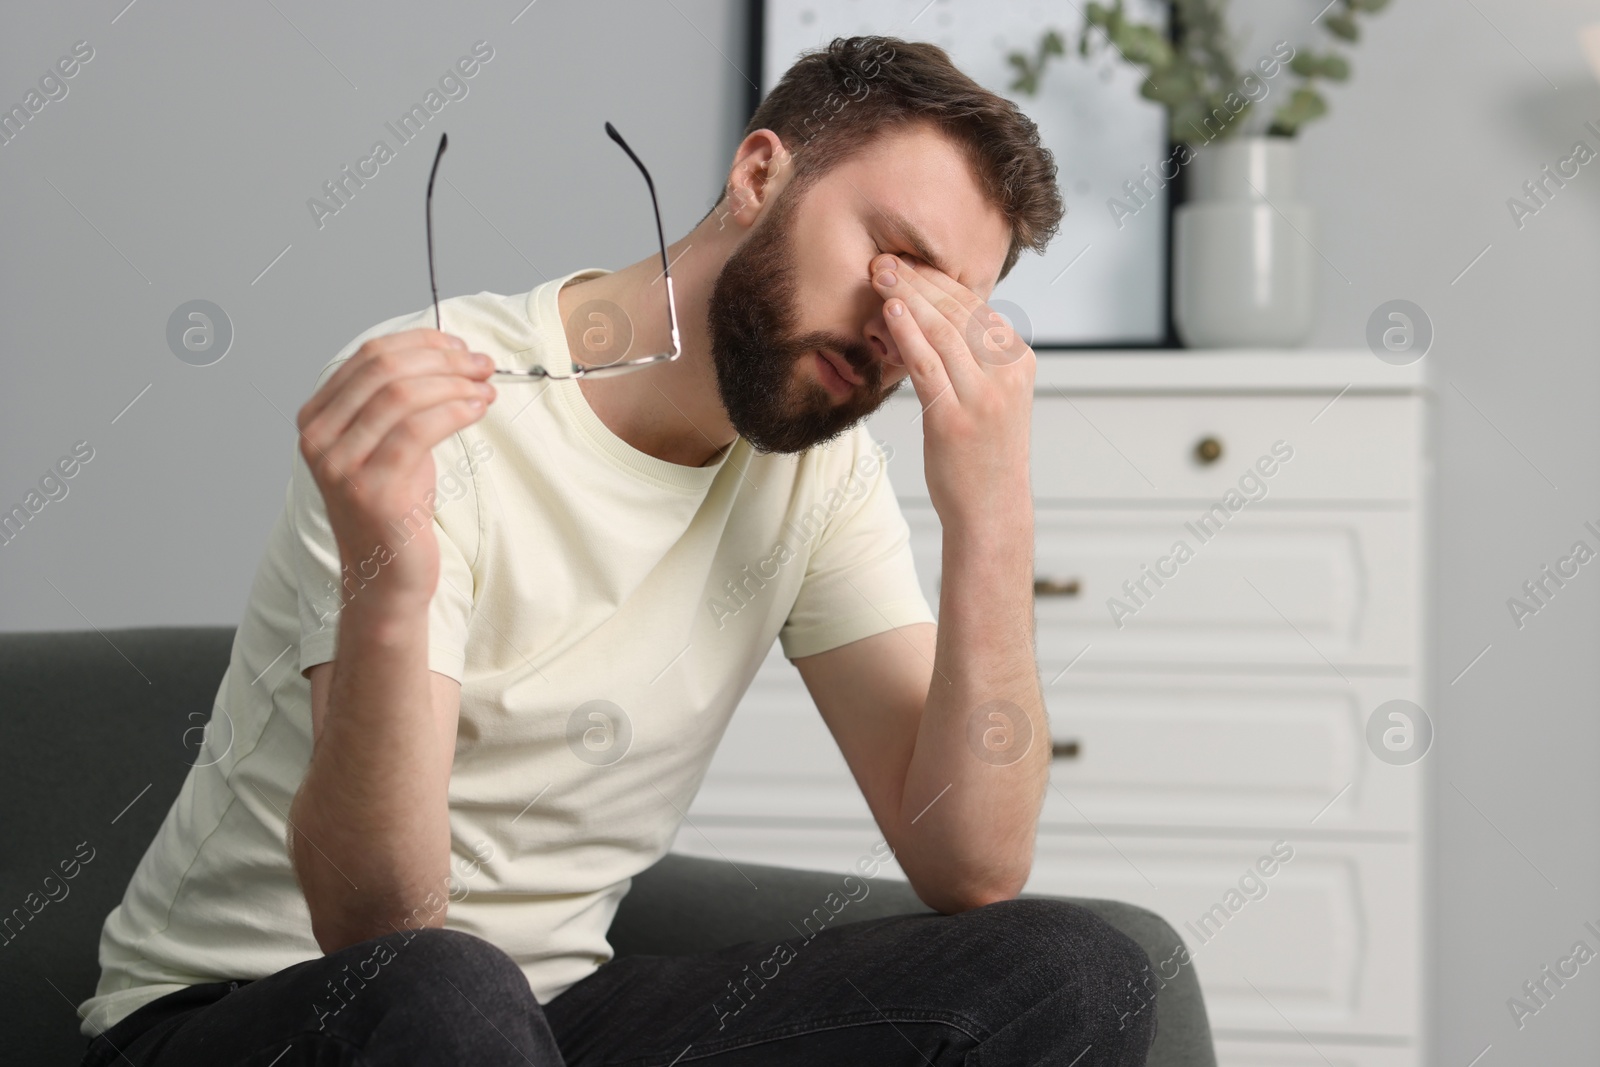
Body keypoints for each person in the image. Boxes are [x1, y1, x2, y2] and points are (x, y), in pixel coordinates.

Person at [78, 34, 1156, 1066]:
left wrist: (991, 509)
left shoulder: (818, 476)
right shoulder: (437, 402)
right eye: (895, 259)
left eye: (947, 308)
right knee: (447, 986)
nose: (898, 329)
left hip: (543, 1021)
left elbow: (968, 861)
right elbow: (380, 929)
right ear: (758, 174)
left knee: (1074, 968)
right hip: (246, 1012)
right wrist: (391, 591)